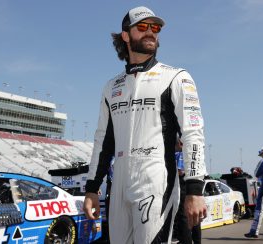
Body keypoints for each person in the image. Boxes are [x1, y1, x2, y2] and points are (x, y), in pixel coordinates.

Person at [83, 6, 207, 244]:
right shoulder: (111, 86)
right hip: (118, 183)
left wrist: (194, 191)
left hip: (156, 179)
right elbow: (103, 142)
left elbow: (193, 135)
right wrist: (92, 189)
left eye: (155, 28)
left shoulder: (176, 77)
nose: (151, 32)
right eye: (142, 27)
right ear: (126, 36)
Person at [173, 139, 202, 244]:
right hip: (194, 183)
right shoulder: (193, 153)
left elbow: (180, 171)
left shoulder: (180, 153)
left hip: (183, 184)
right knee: (195, 217)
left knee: (183, 215)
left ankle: (186, 241)